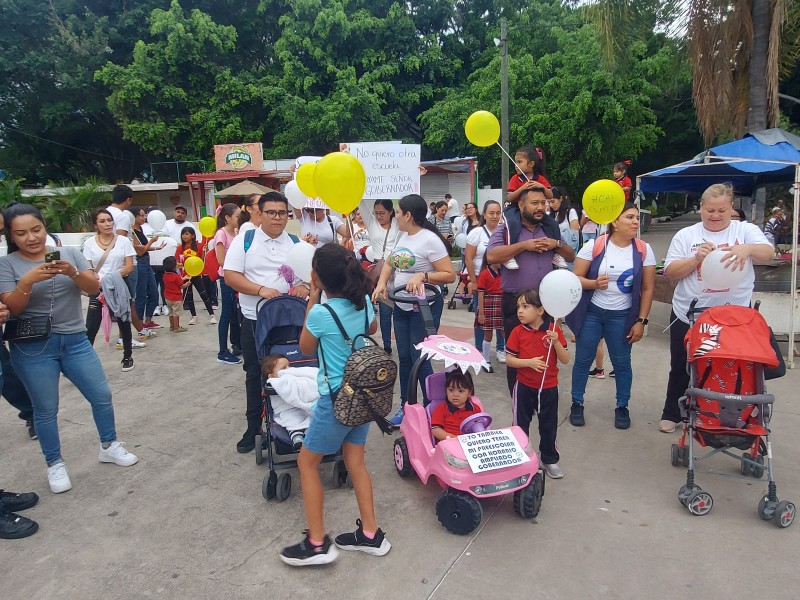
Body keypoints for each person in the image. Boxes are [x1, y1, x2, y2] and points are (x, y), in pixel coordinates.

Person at [0, 204, 138, 494]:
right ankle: (55, 463)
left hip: (75, 340)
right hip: (32, 348)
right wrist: (27, 281)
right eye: (21, 233)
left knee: (101, 395)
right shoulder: (7, 264)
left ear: (44, 226)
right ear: (12, 236)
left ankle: (109, 445)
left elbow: (92, 289)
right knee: (46, 409)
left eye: (36, 229)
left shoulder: (70, 253)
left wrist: (72, 272)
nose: (31, 238)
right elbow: (12, 307)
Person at [280, 244, 390, 566]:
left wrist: (313, 296)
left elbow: (304, 346)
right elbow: (371, 329)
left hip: (336, 401)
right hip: (364, 398)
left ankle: (317, 543)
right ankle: (371, 534)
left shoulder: (320, 313)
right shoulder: (365, 304)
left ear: (318, 277)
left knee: (307, 463)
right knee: (355, 461)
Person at [658, 183, 773, 433]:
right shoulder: (686, 235)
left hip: (733, 317)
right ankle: (672, 412)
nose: (716, 215)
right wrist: (696, 259)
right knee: (681, 365)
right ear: (701, 209)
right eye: (710, 210)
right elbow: (670, 271)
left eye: (722, 210)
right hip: (689, 314)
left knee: (726, 366)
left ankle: (725, 415)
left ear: (731, 208)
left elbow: (767, 253)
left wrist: (748, 249)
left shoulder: (745, 230)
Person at [224, 191, 309, 453]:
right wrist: (261, 289)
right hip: (254, 319)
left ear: (288, 215)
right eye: (271, 212)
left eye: (282, 213)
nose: (277, 217)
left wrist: (305, 286)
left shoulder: (295, 242)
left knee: (294, 369)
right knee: (255, 373)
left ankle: (296, 422)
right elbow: (230, 276)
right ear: (259, 213)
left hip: (291, 319)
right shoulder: (245, 240)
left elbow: (311, 277)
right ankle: (254, 426)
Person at [566, 203, 656, 430]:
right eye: (630, 217)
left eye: (637, 217)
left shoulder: (643, 249)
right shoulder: (595, 246)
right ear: (615, 222)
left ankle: (622, 406)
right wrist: (594, 283)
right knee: (583, 360)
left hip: (623, 316)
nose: (636, 222)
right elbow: (575, 278)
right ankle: (577, 402)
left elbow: (647, 288)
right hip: (592, 313)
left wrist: (641, 321)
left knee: (622, 363)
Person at [373, 194, 455, 425]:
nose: (395, 216)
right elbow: (390, 262)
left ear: (408, 215)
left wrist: (423, 275)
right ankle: (407, 407)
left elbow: (449, 274)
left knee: (421, 357)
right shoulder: (403, 235)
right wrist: (381, 284)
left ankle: (432, 410)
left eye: (398, 212)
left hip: (424, 307)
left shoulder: (430, 240)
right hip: (401, 305)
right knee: (405, 357)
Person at [486, 188, 575, 394]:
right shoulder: (507, 229)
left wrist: (556, 244)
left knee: (547, 350)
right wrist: (524, 245)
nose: (540, 208)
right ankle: (518, 396)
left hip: (546, 303)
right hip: (516, 303)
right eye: (534, 203)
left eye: (543, 203)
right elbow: (492, 256)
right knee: (516, 354)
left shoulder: (550, 228)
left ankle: (543, 391)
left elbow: (570, 256)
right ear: (521, 205)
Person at [505, 289, 570, 479]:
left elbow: (565, 359)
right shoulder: (517, 331)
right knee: (519, 425)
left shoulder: (553, 330)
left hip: (548, 387)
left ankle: (549, 459)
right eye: (518, 307)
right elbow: (510, 360)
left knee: (548, 426)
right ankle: (520, 457)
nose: (520, 311)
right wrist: (529, 363)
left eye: (525, 306)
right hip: (524, 386)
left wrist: (556, 342)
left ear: (540, 310)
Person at [83, 208, 138, 371]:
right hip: (97, 287)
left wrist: (109, 278)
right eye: (102, 221)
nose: (107, 224)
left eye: (109, 220)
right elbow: (88, 267)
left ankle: (127, 356)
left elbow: (129, 267)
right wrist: (96, 279)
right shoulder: (89, 243)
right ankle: (83, 361)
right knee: (91, 325)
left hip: (119, 285)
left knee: (123, 321)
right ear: (95, 225)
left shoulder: (123, 241)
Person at [107, 186, 152, 343]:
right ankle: (123, 338)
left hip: (109, 266)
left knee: (125, 301)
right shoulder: (122, 217)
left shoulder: (105, 214)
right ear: (128, 200)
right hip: (124, 265)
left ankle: (139, 331)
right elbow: (121, 242)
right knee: (127, 301)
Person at [358, 198, 401, 354]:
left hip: (397, 269)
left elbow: (407, 200)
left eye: (382, 213)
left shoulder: (398, 224)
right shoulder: (372, 222)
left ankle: (399, 339)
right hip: (378, 270)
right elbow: (360, 203)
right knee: (384, 309)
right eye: (376, 213)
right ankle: (387, 344)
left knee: (398, 308)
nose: (379, 216)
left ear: (391, 212)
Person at [466, 200, 505, 368]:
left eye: (497, 213)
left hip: (500, 280)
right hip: (480, 279)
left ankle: (501, 349)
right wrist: (473, 281)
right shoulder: (477, 233)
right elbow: (468, 258)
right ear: (484, 214)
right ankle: (479, 351)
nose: (494, 216)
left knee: (502, 318)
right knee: (481, 318)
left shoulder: (505, 232)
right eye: (491, 213)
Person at [262, 353, 318, 451]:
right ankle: (297, 439)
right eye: (284, 368)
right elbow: (283, 387)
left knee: (313, 419)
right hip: (287, 410)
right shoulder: (275, 382)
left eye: (289, 366)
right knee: (292, 420)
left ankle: (311, 437)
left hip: (304, 408)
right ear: (271, 376)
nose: (289, 370)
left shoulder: (295, 377)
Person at [213, 203, 242, 364]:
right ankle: (222, 352)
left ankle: (236, 344)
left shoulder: (236, 233)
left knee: (234, 314)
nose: (240, 219)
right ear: (227, 218)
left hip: (235, 278)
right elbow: (220, 260)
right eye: (237, 216)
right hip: (227, 279)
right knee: (226, 314)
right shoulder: (221, 234)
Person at [131, 207, 166, 330]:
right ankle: (139, 324)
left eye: (144, 215)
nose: (143, 218)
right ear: (134, 217)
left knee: (154, 293)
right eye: (141, 215)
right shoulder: (132, 232)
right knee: (141, 294)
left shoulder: (140, 229)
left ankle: (148, 320)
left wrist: (157, 248)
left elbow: (143, 248)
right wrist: (151, 241)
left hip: (146, 262)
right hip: (140, 263)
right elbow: (139, 251)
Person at [175, 227, 216, 325]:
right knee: (189, 296)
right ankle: (194, 316)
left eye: (187, 234)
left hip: (197, 274)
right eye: (183, 234)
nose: (184, 236)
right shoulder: (180, 248)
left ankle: (212, 315)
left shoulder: (199, 245)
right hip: (186, 276)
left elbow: (202, 260)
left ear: (193, 235)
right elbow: (177, 261)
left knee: (203, 294)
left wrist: (204, 252)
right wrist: (179, 265)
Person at [431, 370, 480, 441]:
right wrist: (450, 437)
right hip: (450, 443)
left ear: (469, 392)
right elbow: (435, 429)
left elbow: (479, 427)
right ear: (446, 391)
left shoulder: (474, 408)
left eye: (461, 391)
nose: (455, 395)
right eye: (451, 390)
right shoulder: (442, 408)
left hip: (470, 443)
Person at [162, 256, 189, 332]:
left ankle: (172, 326)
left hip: (167, 297)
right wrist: (187, 284)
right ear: (174, 266)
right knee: (176, 313)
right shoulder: (176, 276)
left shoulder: (165, 275)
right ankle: (177, 327)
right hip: (176, 298)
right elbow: (181, 286)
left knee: (171, 313)